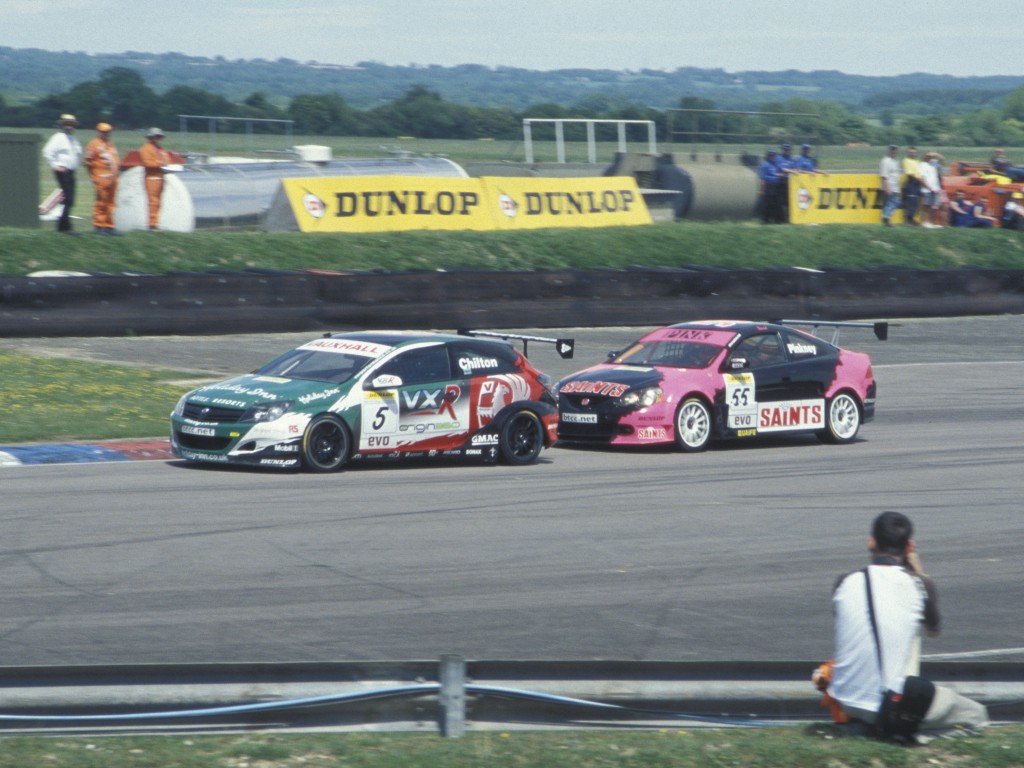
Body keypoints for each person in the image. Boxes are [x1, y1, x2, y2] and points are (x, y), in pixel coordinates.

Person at [829, 511, 988, 742]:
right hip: (887, 704)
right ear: (909, 546)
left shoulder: (843, 582)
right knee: (977, 716)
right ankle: (910, 736)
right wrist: (919, 571)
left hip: (845, 700)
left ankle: (872, 724)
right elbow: (934, 631)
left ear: (871, 541)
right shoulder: (919, 584)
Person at [41, 113, 83, 234]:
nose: (69, 127)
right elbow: (47, 152)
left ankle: (63, 225)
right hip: (62, 171)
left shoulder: (73, 140)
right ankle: (64, 226)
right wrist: (55, 165)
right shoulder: (58, 138)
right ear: (62, 125)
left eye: (71, 125)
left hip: (71, 171)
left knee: (71, 199)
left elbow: (77, 154)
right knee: (68, 198)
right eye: (67, 124)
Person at [83, 122, 121, 236]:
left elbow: (115, 160)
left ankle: (109, 226)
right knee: (101, 202)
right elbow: (87, 161)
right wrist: (94, 176)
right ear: (99, 131)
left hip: (112, 178)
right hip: (100, 177)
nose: (106, 134)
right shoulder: (93, 144)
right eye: (104, 131)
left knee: (111, 203)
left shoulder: (110, 145)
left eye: (108, 132)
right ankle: (99, 225)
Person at [138, 127, 173, 231]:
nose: (158, 138)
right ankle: (152, 224)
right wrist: (160, 163)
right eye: (156, 136)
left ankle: (156, 223)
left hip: (161, 177)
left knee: (158, 202)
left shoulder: (162, 149)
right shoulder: (145, 148)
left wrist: (167, 165)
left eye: (159, 136)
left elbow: (167, 160)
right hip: (151, 178)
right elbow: (147, 163)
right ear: (150, 137)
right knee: (153, 201)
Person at [757, 148, 787, 224]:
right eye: (770, 155)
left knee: (778, 204)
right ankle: (766, 220)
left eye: (773, 155)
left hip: (777, 186)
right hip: (769, 186)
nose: (772, 156)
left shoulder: (776, 164)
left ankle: (778, 220)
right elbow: (763, 179)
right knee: (768, 204)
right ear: (768, 156)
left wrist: (781, 174)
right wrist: (762, 190)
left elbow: (782, 171)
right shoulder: (765, 165)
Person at [918, 152, 944, 228]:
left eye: (930, 157)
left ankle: (931, 222)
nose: (929, 158)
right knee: (926, 206)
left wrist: (936, 154)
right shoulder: (922, 165)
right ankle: (925, 222)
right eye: (928, 156)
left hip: (936, 188)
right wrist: (929, 187)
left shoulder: (933, 164)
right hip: (927, 189)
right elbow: (922, 178)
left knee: (933, 207)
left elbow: (942, 160)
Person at [901, 146, 924, 225]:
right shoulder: (906, 160)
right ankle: (909, 219)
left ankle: (915, 218)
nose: (912, 154)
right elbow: (910, 174)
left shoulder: (917, 162)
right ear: (908, 153)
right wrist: (919, 180)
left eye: (914, 152)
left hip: (918, 183)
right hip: (912, 182)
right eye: (911, 152)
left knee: (917, 202)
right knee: (911, 200)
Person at [879, 145, 901, 227]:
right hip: (889, 186)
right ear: (889, 151)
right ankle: (886, 219)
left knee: (895, 203)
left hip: (895, 187)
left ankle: (886, 217)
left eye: (895, 150)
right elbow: (884, 176)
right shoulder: (885, 161)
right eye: (892, 150)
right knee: (890, 203)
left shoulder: (896, 161)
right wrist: (887, 188)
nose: (894, 152)